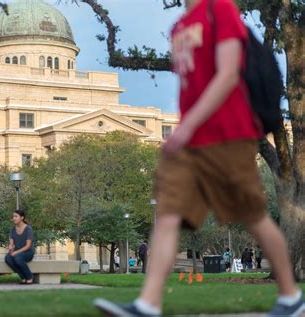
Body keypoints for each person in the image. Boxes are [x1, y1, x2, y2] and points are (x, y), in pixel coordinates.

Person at [94, 0, 304, 316]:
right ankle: (147, 305)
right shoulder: (179, 27)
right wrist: (185, 129)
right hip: (189, 143)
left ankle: (290, 297)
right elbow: (191, 87)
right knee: (166, 216)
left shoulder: (219, 9)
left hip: (228, 136)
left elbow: (229, 73)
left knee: (253, 216)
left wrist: (186, 125)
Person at [5, 209, 35, 284]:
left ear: (22, 218)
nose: (14, 218)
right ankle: (23, 277)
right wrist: (11, 249)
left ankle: (29, 276)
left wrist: (16, 252)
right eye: (13, 216)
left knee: (17, 257)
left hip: (28, 252)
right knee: (8, 258)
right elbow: (11, 243)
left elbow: (28, 246)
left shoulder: (28, 229)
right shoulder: (12, 229)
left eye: (16, 216)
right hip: (17, 252)